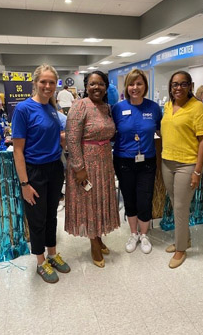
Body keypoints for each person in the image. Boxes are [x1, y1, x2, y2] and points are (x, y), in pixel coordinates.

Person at [12, 64, 70, 284]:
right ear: (35, 83)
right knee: (37, 219)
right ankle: (40, 262)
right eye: (43, 82)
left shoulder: (53, 108)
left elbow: (54, 137)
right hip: (33, 171)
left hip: (54, 168)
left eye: (51, 82)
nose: (47, 86)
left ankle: (53, 255)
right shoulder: (23, 109)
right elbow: (18, 150)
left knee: (51, 215)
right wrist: (24, 183)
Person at [65, 70, 120, 268]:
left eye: (101, 84)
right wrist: (79, 168)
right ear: (86, 87)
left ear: (106, 87)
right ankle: (94, 244)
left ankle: (98, 238)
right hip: (86, 165)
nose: (96, 87)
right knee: (89, 204)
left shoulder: (107, 107)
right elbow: (72, 139)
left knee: (100, 201)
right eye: (92, 84)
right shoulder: (80, 105)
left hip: (104, 162)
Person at [161, 70, 203, 268]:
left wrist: (197, 171)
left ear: (190, 86)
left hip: (187, 164)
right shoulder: (167, 105)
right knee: (176, 204)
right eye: (175, 84)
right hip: (167, 161)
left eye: (183, 84)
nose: (178, 88)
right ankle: (185, 240)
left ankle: (181, 250)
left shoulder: (198, 108)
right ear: (170, 87)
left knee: (181, 206)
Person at [112, 69, 162, 254]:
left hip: (147, 160)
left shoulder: (154, 108)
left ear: (145, 86)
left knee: (145, 198)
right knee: (130, 198)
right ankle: (133, 233)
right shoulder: (117, 108)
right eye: (132, 84)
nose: (135, 87)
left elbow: (162, 131)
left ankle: (144, 235)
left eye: (139, 83)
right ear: (126, 87)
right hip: (123, 161)